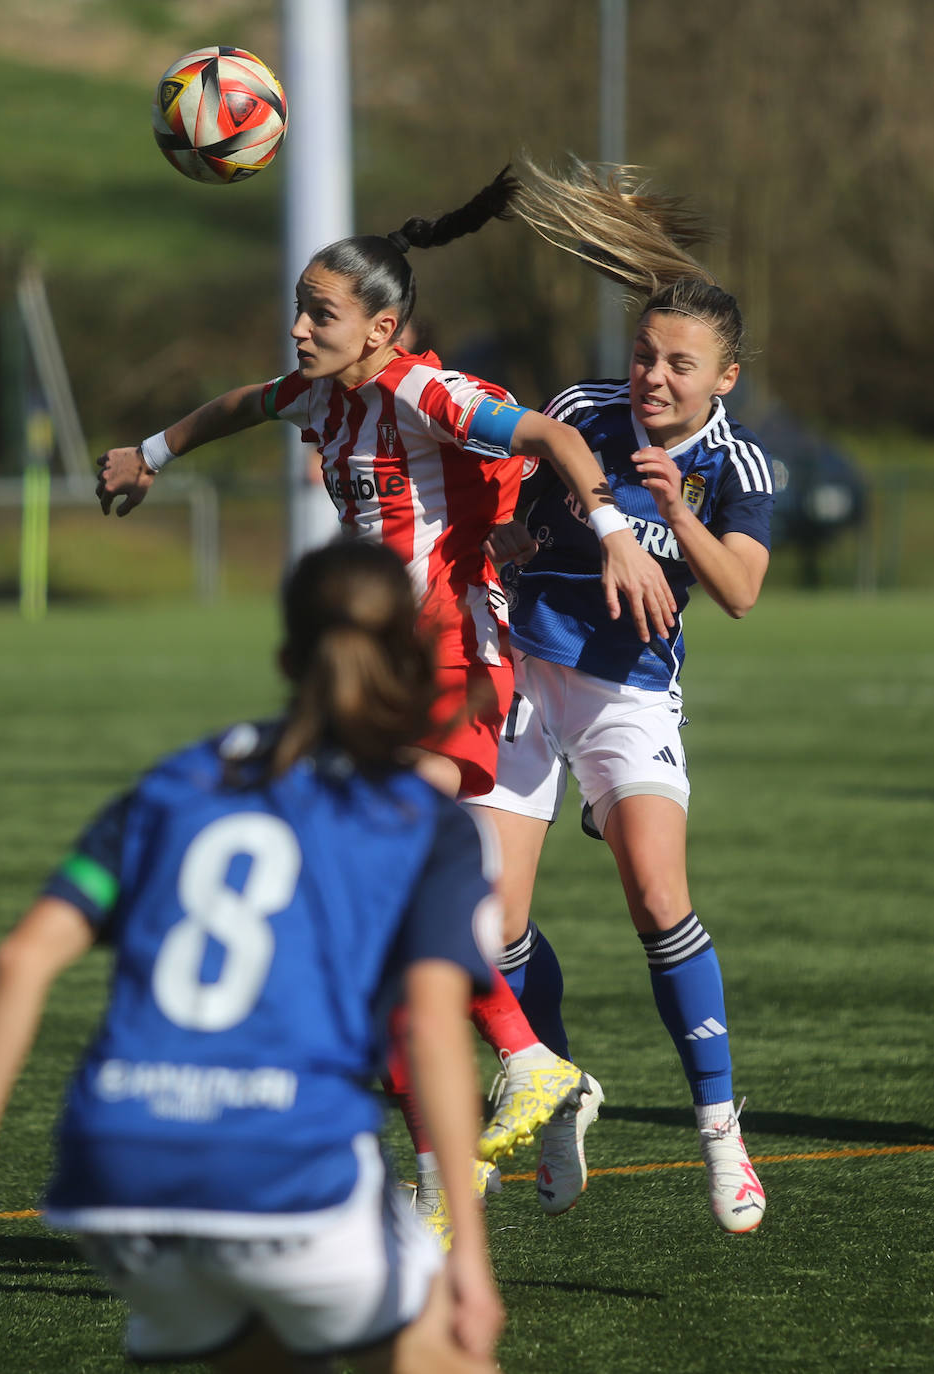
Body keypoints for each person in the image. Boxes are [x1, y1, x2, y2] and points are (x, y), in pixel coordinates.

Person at [94, 169, 679, 1235]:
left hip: (455, 656)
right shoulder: (322, 392)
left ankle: (524, 1066)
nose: (299, 327)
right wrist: (154, 453)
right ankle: (458, 1156)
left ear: (382, 327)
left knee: (382, 879)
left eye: (321, 313)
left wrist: (607, 532)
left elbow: (549, 439)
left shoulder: (422, 391)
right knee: (371, 928)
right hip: (383, 675)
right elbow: (241, 404)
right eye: (302, 307)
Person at [0, 540, 506, 1374]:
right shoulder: (421, 818)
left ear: (284, 656)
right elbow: (429, 1028)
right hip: (289, 1162)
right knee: (434, 1351)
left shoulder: (174, 783)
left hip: (119, 1166)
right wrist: (468, 1252)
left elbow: (20, 960)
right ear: (415, 655)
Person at [470, 158, 772, 1234]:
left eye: (679, 365)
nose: (653, 377)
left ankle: (720, 1133)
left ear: (721, 379)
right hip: (522, 676)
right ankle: (552, 1091)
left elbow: (736, 591)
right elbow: (516, 515)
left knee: (655, 898)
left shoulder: (739, 467)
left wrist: (671, 518)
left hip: (627, 696)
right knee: (489, 924)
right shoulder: (580, 411)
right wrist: (509, 539)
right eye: (645, 354)